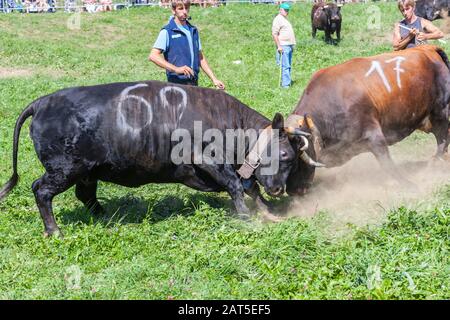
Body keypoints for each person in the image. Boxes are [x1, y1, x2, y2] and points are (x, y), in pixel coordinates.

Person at [148, 0, 225, 88]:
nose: (185, 12)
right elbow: (153, 56)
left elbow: (200, 57)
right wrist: (176, 69)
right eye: (180, 8)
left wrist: (214, 79)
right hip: (176, 84)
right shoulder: (167, 31)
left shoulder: (193, 30)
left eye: (187, 8)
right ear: (173, 10)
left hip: (193, 83)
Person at [272, 2, 296, 88]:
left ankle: (287, 82)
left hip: (288, 45)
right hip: (283, 45)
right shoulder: (278, 19)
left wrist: (292, 45)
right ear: (280, 10)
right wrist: (279, 46)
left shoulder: (284, 19)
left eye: (287, 10)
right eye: (285, 10)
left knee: (288, 65)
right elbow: (274, 34)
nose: (287, 12)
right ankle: (285, 85)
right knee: (285, 66)